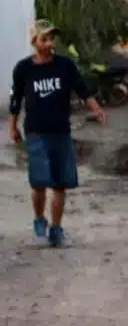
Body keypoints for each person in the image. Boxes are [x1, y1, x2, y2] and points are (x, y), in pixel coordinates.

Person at [8, 19, 105, 248]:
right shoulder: (24, 69)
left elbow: (82, 90)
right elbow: (15, 100)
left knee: (60, 184)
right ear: (34, 42)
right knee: (39, 183)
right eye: (44, 38)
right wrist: (12, 126)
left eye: (52, 38)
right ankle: (39, 218)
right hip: (35, 133)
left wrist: (97, 109)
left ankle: (56, 230)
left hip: (61, 132)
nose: (49, 43)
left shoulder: (65, 66)